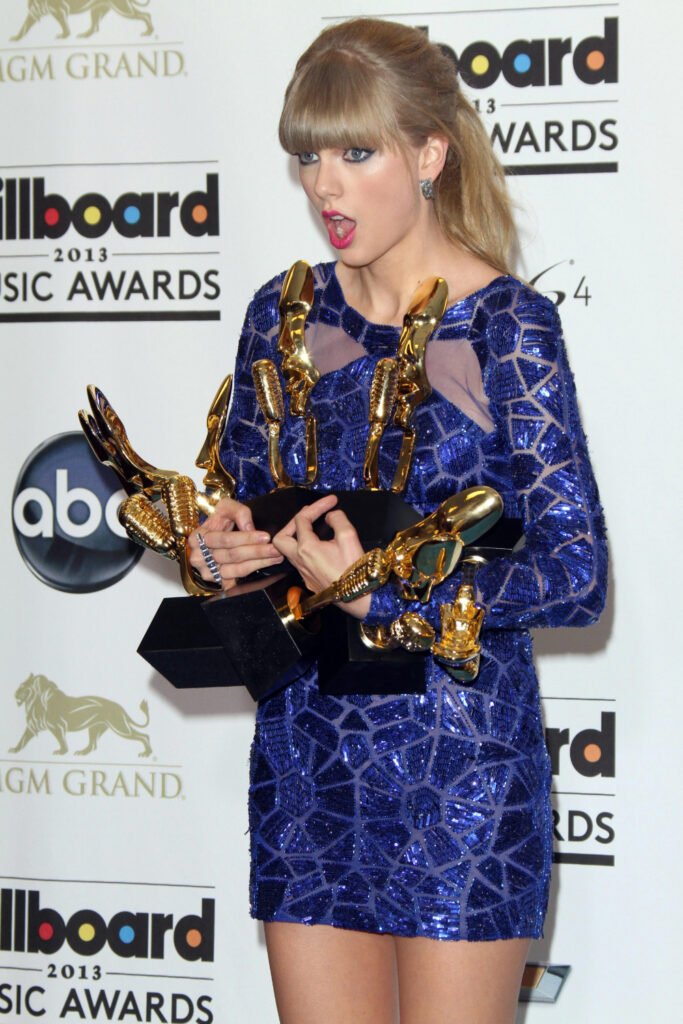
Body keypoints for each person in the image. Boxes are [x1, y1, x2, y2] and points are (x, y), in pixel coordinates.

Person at [187, 17, 607, 1024]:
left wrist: (395, 588)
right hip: (306, 763)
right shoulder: (277, 317)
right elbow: (238, 511)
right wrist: (217, 548)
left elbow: (575, 570)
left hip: (459, 775)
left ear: (426, 153)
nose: (324, 187)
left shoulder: (505, 328)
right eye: (306, 156)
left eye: (355, 152)